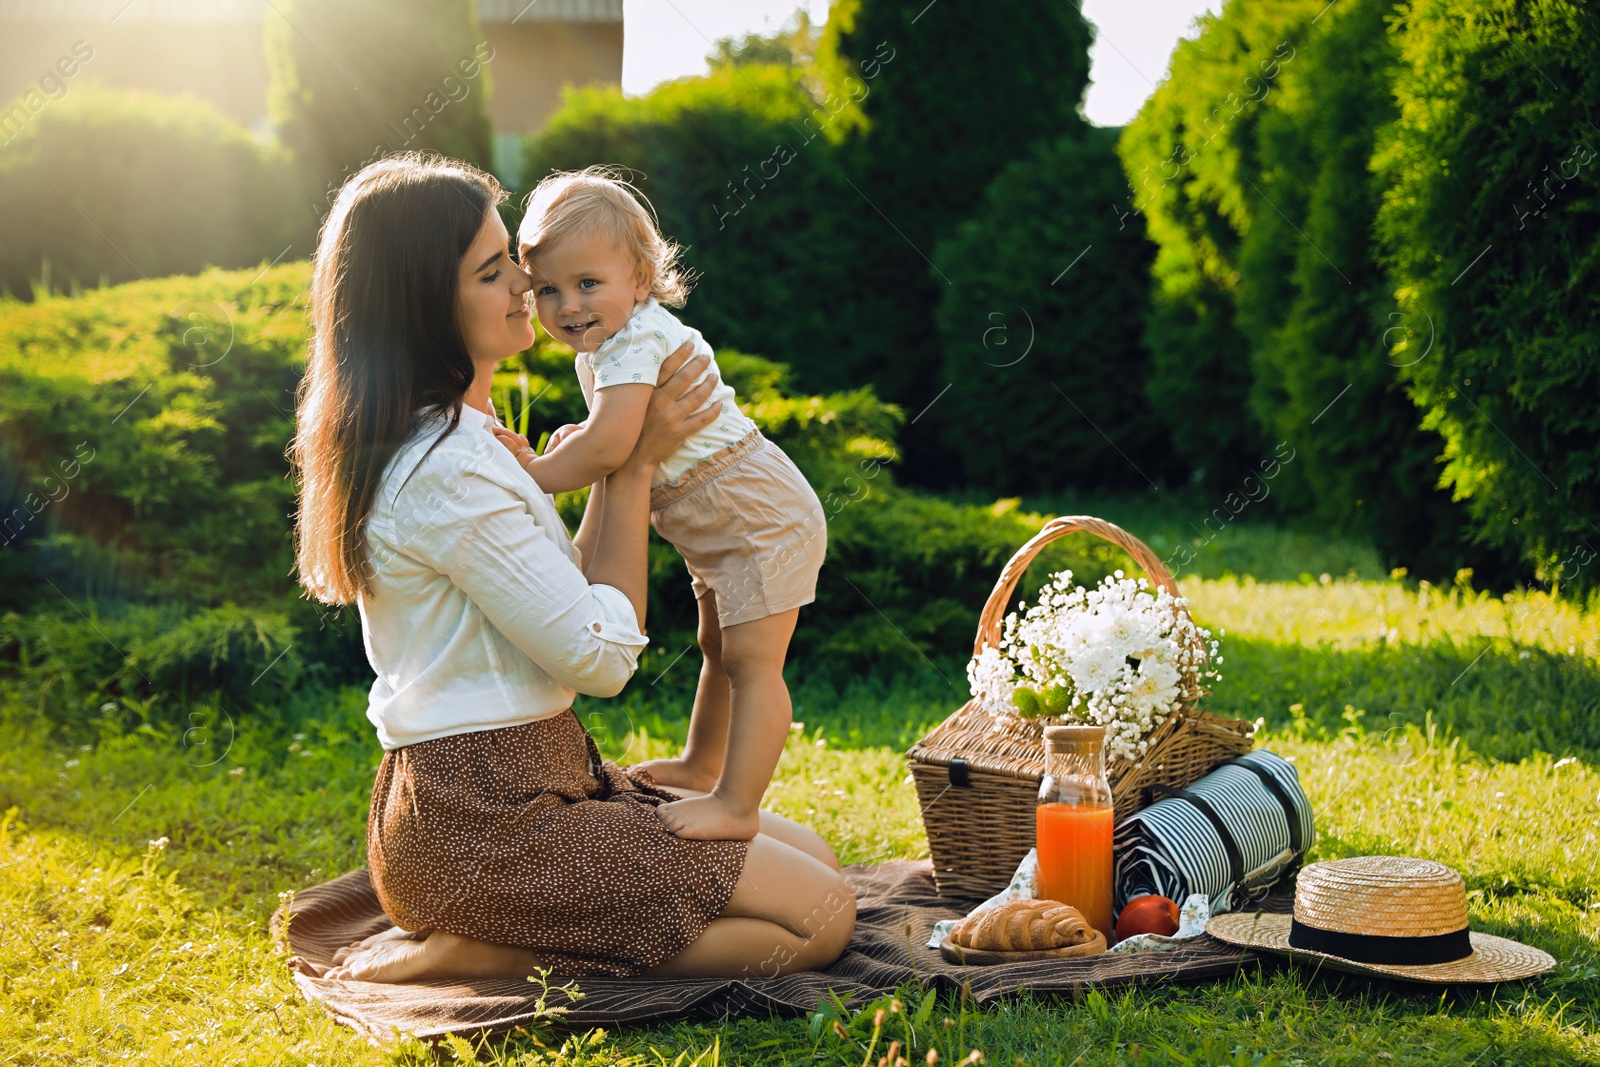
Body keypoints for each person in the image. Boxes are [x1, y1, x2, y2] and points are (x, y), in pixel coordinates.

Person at [289, 153, 854, 983]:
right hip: (482, 818)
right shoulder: (444, 467)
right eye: (496, 271)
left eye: (513, 258)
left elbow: (571, 593)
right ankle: (490, 947)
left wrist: (625, 455)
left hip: (541, 777)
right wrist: (631, 463)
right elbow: (600, 657)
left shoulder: (471, 437)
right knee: (819, 919)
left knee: (816, 856)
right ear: (425, 308)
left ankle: (517, 925)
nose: (529, 285)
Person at [493, 168, 827, 843]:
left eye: (589, 283)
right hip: (722, 521)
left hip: (759, 514)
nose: (567, 305)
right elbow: (616, 436)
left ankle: (737, 803)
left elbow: (616, 445)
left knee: (753, 662)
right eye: (549, 289)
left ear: (641, 281)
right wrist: (581, 442)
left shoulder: (636, 340)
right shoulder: (608, 346)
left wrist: (538, 469)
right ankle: (703, 764)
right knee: (717, 645)